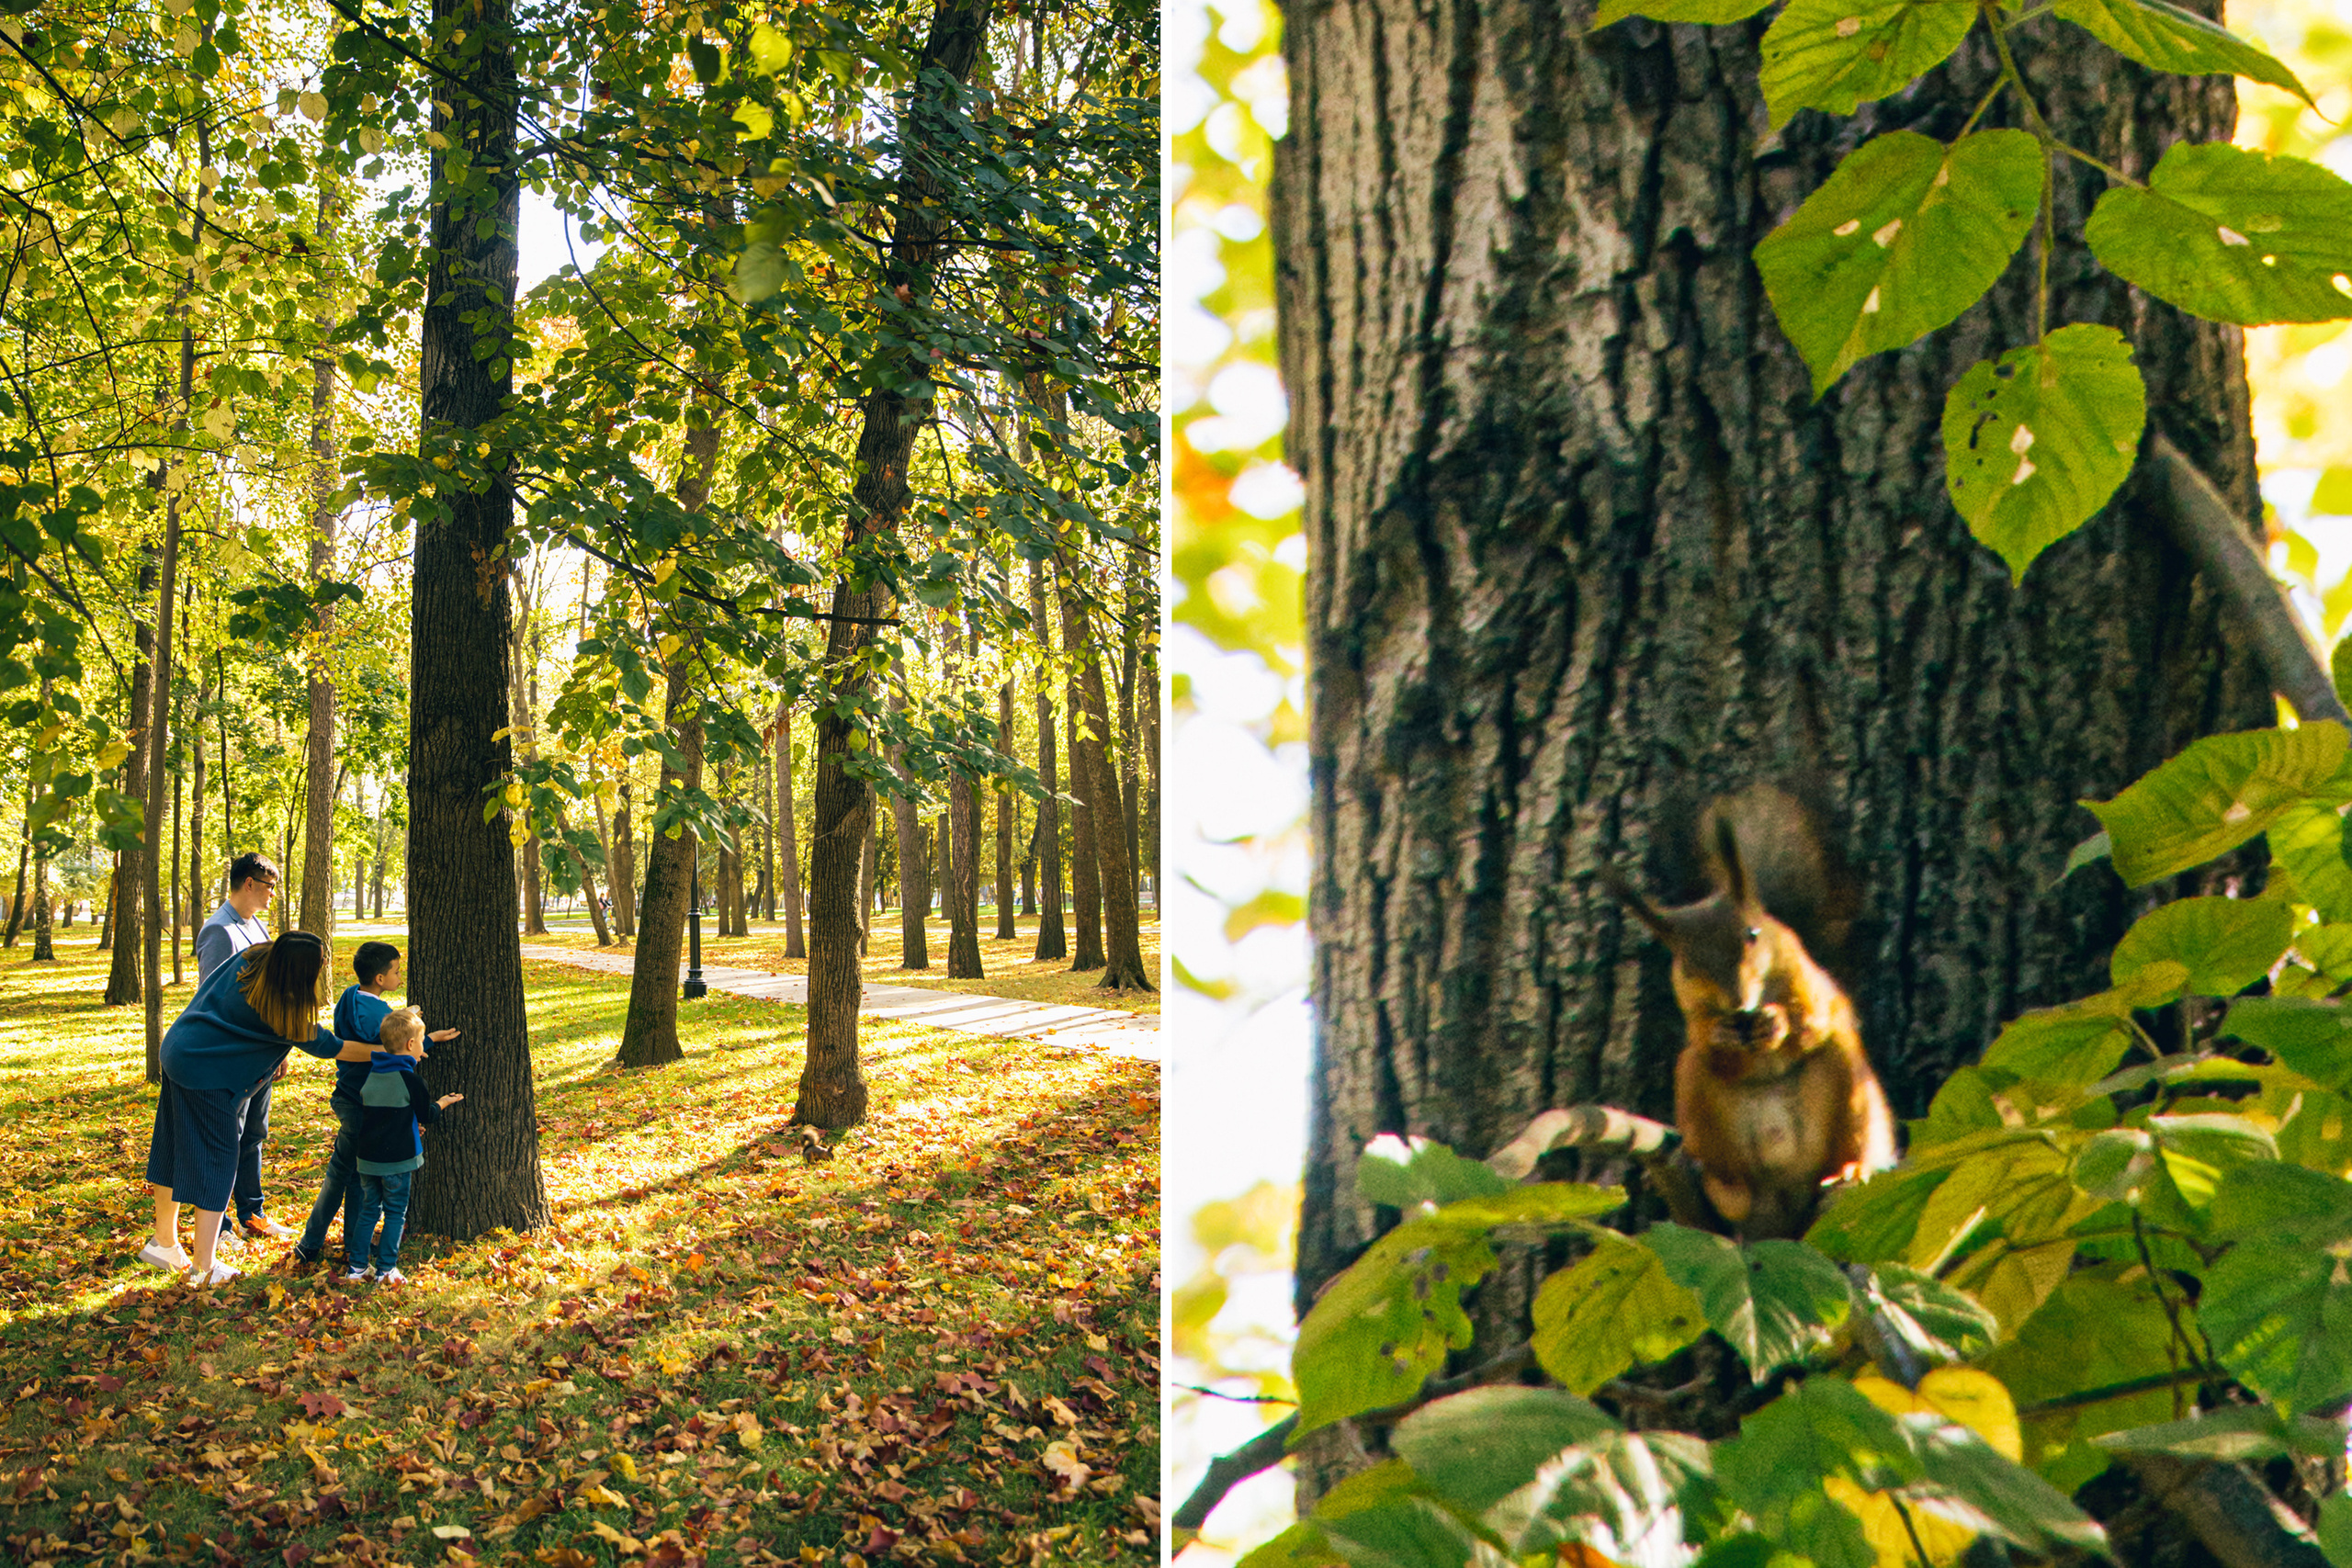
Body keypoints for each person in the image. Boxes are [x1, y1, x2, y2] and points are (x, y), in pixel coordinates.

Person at [137, 932, 374, 1286]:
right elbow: (331, 1046)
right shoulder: (278, 1010)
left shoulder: (252, 960)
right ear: (298, 973)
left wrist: (279, 1050)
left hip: (179, 1049)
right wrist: (389, 1052)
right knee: (219, 1161)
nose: (323, 969)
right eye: (318, 965)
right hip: (207, 1074)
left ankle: (164, 1242)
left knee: (172, 1147)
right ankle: (203, 1267)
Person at [294, 942, 459, 1269]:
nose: (400, 976)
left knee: (346, 1173)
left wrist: (404, 1016)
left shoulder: (350, 996)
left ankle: (329, 1244)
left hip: (350, 1095)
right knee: (351, 1174)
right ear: (381, 978)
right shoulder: (379, 1016)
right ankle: (338, 1246)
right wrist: (426, 1036)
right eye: (397, 971)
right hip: (361, 1102)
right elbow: (390, 1045)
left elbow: (380, 1029)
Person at [195, 853, 293, 1244]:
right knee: (226, 1140)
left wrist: (277, 1050)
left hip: (262, 1052)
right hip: (232, 1056)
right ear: (248, 884)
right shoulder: (219, 931)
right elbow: (215, 1001)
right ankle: (217, 1228)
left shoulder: (257, 926)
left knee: (253, 1135)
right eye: (269, 886)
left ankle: (253, 1213)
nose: (273, 894)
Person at [347, 1007, 463, 1286]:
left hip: (367, 1158)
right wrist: (443, 1102)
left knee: (369, 1211)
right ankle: (386, 1269)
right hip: (397, 1160)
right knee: (396, 1213)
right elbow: (427, 1115)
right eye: (421, 1043)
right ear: (411, 1044)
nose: (423, 1049)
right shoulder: (412, 1080)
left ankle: (357, 1268)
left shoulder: (372, 1075)